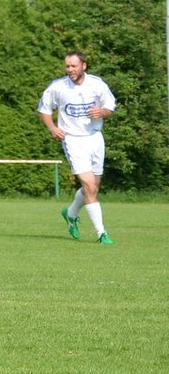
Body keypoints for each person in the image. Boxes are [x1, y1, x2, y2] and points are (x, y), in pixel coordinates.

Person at [38, 50, 117, 245]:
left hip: (95, 138)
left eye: (73, 66)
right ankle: (102, 234)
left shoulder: (97, 84)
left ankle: (71, 214)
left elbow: (110, 106)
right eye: (67, 66)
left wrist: (102, 112)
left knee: (93, 187)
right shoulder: (58, 87)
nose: (70, 69)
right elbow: (44, 109)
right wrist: (52, 128)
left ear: (84, 66)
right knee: (89, 186)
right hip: (72, 140)